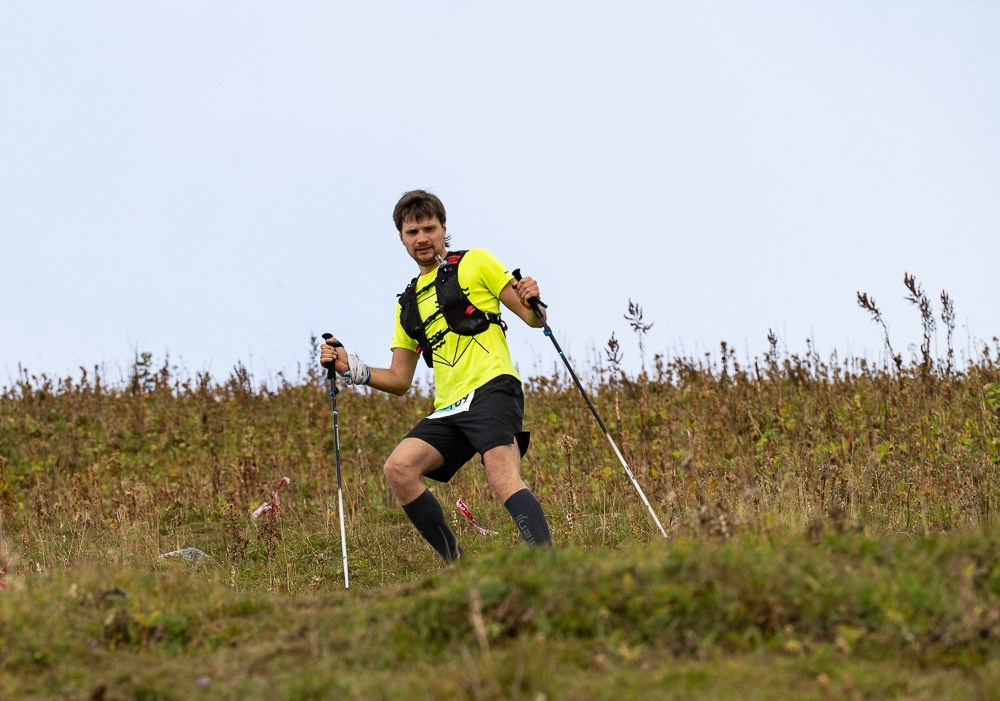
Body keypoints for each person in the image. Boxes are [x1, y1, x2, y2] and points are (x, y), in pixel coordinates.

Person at [320, 189, 552, 562]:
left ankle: (548, 565)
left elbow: (531, 317)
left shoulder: (476, 262)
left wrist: (532, 298)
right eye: (412, 232)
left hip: (492, 387)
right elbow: (399, 379)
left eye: (429, 228)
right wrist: (352, 368)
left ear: (444, 229)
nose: (422, 238)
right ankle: (458, 568)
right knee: (399, 468)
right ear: (401, 238)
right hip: (449, 408)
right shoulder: (407, 302)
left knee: (500, 472)